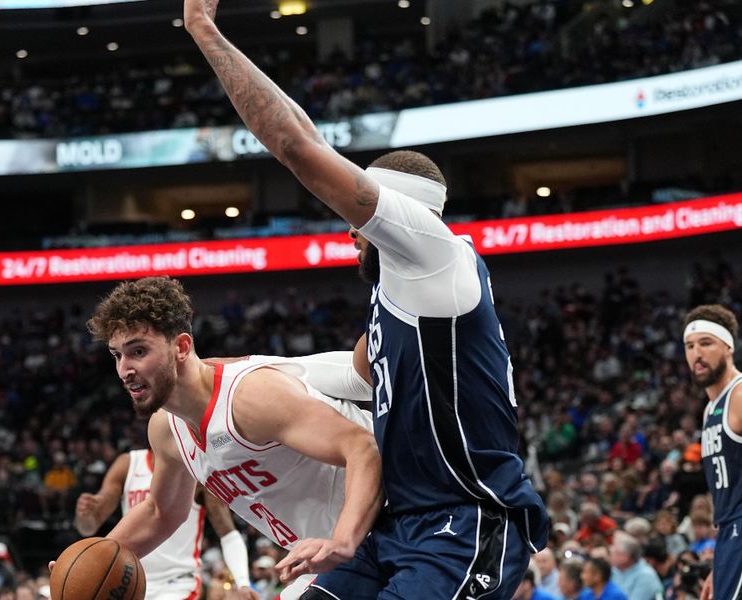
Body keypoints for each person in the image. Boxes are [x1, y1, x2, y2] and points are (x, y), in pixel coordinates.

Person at [183, 2, 548, 598]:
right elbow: (345, 372)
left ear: (394, 211)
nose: (349, 232)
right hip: (402, 522)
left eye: (360, 219)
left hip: (467, 519)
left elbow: (298, 145)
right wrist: (232, 370)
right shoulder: (403, 295)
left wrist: (205, 29)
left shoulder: (435, 255)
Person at [81, 276, 381, 600]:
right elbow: (160, 512)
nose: (125, 369)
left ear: (181, 347)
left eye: (138, 351)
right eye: (117, 355)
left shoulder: (248, 398)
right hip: (329, 549)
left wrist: (343, 539)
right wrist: (89, 564)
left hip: (386, 519)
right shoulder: (165, 428)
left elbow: (364, 448)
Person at [74, 448, 254, 599]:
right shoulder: (128, 464)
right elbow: (88, 527)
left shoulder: (196, 467)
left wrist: (243, 582)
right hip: (129, 580)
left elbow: (228, 533)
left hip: (177, 584)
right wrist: (85, 514)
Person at [682, 304, 741, 600]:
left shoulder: (740, 396)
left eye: (706, 343)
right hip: (729, 536)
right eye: (690, 346)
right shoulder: (709, 410)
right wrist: (720, 565)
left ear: (728, 346)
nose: (697, 353)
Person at [609, 531, 663, 600]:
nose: (611, 555)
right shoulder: (615, 570)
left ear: (625, 557)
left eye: (615, 552)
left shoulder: (646, 576)